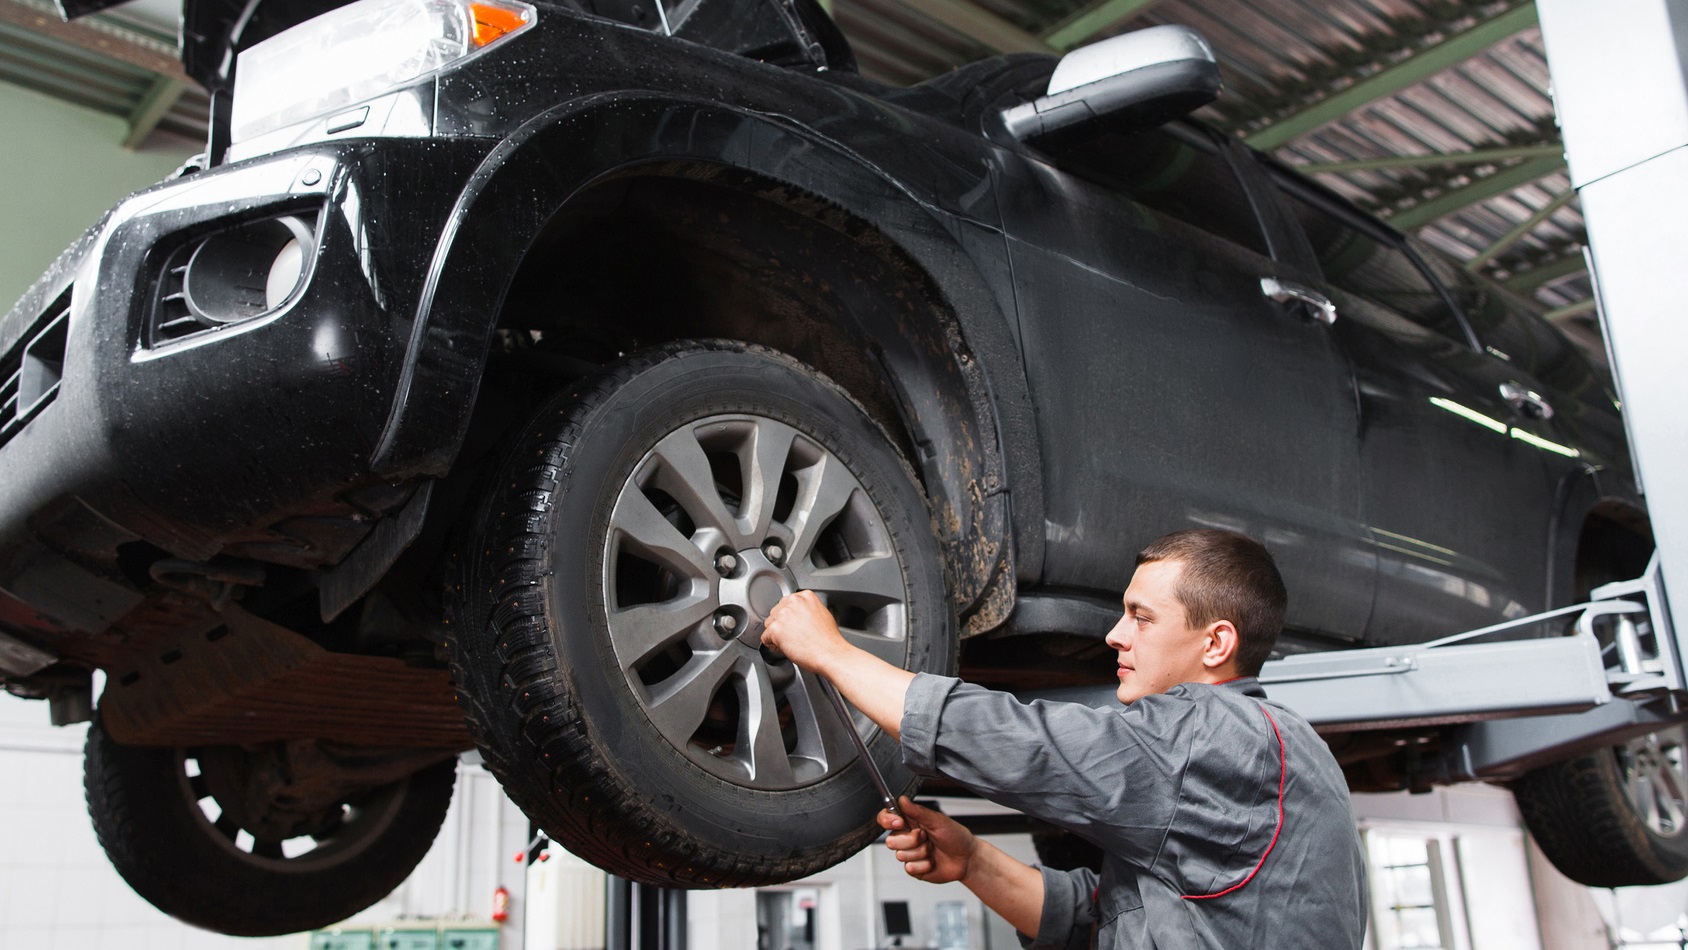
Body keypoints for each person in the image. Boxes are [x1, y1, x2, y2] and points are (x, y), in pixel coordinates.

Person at [761, 528, 1367, 949]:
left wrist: (830, 652)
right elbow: (1105, 918)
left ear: (1216, 644)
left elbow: (1032, 747)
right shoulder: (1263, 753)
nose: (1114, 634)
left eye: (1142, 616)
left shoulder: (1227, 738)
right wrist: (972, 862)